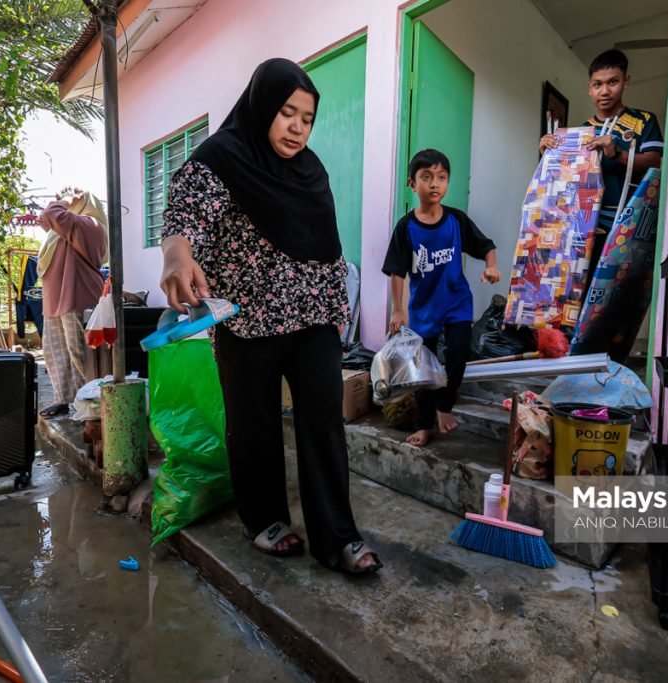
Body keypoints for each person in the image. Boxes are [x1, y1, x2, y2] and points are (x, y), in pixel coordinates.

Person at [159, 58, 382, 574]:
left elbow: (325, 243)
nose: (298, 126)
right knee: (253, 424)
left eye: (307, 117)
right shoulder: (222, 157)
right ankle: (264, 521)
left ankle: (338, 537)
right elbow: (186, 214)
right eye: (287, 112)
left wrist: (336, 311)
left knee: (323, 422)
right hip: (248, 321)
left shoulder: (312, 168)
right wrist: (176, 255)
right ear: (263, 106)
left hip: (312, 318)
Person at [382, 148, 501, 448]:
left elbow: (485, 245)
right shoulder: (405, 227)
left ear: (448, 183)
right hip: (423, 309)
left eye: (441, 177)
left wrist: (491, 265)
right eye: (426, 177)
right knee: (422, 371)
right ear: (412, 184)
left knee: (459, 352)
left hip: (456, 302)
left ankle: (444, 407)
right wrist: (398, 311)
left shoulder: (456, 221)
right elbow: (397, 271)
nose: (434, 183)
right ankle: (424, 425)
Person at [540, 49, 663, 259]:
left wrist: (615, 153)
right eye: (598, 84)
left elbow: (654, 163)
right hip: (586, 221)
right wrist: (548, 155)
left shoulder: (643, 120)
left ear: (626, 81)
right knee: (584, 284)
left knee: (621, 286)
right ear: (590, 88)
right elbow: (566, 180)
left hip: (628, 219)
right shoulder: (582, 131)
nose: (604, 91)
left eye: (612, 82)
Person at [36, 187, 108, 418]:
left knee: (81, 353)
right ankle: (64, 399)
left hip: (77, 295)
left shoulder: (91, 225)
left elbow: (54, 213)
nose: (66, 203)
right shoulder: (66, 228)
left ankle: (93, 401)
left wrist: (68, 200)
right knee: (56, 354)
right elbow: (53, 217)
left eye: (73, 201)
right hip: (54, 298)